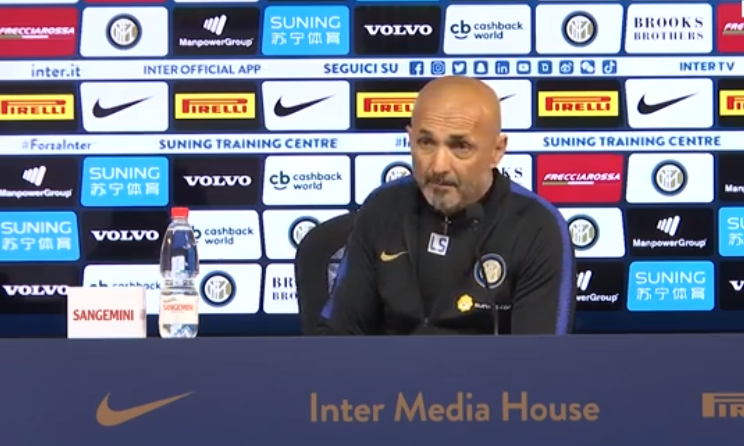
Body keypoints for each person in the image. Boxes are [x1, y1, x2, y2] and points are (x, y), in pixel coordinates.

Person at [317, 76, 576, 335]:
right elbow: (338, 334)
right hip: (390, 363)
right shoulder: (382, 207)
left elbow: (540, 356)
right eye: (426, 143)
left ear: (497, 150)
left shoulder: (537, 227)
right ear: (410, 139)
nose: (439, 166)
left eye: (460, 146)